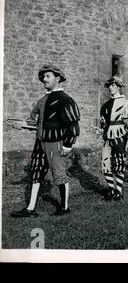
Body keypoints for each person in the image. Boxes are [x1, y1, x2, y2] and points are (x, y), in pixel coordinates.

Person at [11, 65, 80, 217]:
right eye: (43, 77)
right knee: (36, 172)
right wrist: (24, 124)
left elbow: (72, 125)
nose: (44, 79)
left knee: (59, 174)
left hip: (55, 143)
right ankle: (30, 209)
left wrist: (68, 145)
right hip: (40, 142)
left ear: (58, 78)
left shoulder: (65, 100)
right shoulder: (42, 100)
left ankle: (64, 208)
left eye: (48, 76)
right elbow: (37, 122)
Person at [98, 76, 128, 201]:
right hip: (108, 136)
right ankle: (111, 189)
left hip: (120, 134)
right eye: (109, 86)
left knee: (119, 163)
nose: (111, 88)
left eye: (113, 85)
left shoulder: (126, 103)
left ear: (119, 86)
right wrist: (100, 129)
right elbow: (103, 123)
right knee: (105, 163)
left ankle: (118, 192)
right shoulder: (105, 105)